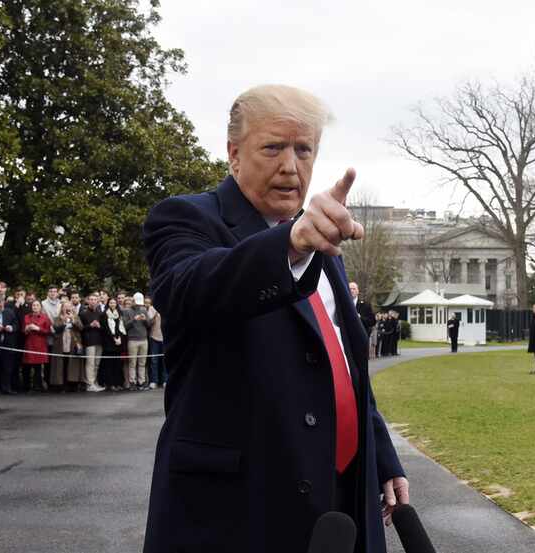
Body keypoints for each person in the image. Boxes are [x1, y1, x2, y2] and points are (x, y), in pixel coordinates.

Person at [141, 84, 407, 553]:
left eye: (304, 149)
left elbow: (341, 365)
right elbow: (190, 287)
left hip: (344, 497)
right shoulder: (185, 219)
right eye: (273, 147)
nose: (290, 166)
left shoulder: (320, 243)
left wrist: (382, 457)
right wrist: (290, 245)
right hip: (240, 511)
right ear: (234, 153)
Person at [51, 301, 85, 392]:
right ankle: (60, 385)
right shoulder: (57, 318)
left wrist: (73, 320)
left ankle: (73, 384)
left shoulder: (76, 317)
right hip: (60, 344)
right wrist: (64, 322)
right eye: (65, 306)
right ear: (62, 308)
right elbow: (56, 329)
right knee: (61, 364)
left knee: (72, 364)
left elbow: (81, 328)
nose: (67, 308)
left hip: (73, 343)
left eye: (69, 306)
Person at [22, 299, 52, 391]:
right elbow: (23, 330)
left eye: (37, 305)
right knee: (27, 366)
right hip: (29, 344)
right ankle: (26, 386)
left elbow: (48, 331)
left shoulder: (45, 317)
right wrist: (27, 329)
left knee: (38, 367)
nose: (35, 307)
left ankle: (38, 385)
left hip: (40, 345)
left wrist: (38, 328)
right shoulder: (27, 317)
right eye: (33, 305)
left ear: (40, 307)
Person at [123, 293, 150, 390]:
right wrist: (134, 320)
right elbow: (125, 326)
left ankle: (141, 382)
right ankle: (132, 382)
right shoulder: (126, 311)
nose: (138, 306)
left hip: (144, 339)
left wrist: (145, 319)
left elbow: (149, 324)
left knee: (142, 362)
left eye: (140, 304)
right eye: (137, 303)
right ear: (133, 301)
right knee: (132, 363)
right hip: (132, 339)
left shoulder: (143, 310)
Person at [79, 293, 105, 392]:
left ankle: (94, 382)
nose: (93, 301)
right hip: (89, 341)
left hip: (99, 341)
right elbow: (80, 328)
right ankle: (89, 384)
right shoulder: (83, 313)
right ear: (88, 301)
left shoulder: (100, 313)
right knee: (90, 363)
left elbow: (104, 328)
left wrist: (99, 326)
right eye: (91, 299)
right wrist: (90, 325)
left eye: (95, 300)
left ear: (98, 302)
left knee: (96, 364)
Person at [100, 297, 126, 391]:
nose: (112, 304)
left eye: (114, 303)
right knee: (109, 364)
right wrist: (113, 338)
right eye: (111, 303)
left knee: (118, 364)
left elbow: (122, 328)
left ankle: (118, 383)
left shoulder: (119, 314)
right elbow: (105, 329)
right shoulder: (104, 315)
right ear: (108, 304)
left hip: (118, 343)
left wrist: (119, 338)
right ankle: (110, 383)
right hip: (108, 343)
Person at [144, 296, 166, 389]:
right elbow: (148, 323)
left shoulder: (167, 307)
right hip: (154, 337)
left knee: (165, 361)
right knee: (154, 361)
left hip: (164, 338)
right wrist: (155, 314)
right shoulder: (152, 309)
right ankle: (154, 381)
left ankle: (165, 380)